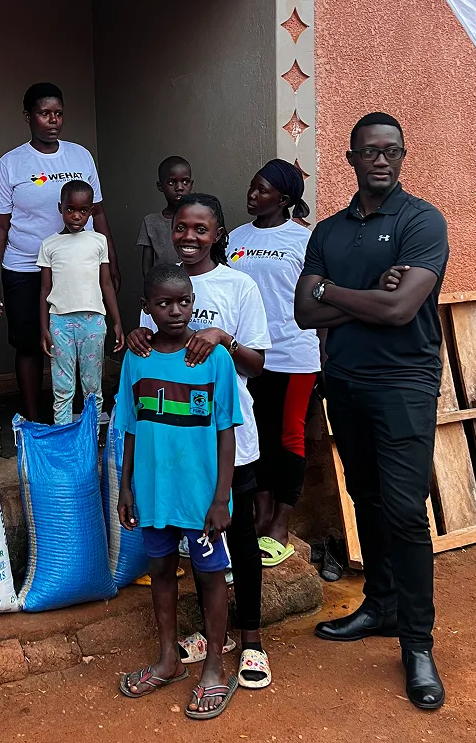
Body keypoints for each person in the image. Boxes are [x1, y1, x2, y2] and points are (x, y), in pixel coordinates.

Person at [294, 112, 449, 711]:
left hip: (405, 383)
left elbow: (399, 310)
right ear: (351, 157)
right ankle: (381, 604)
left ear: (403, 156)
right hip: (346, 381)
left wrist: (332, 292)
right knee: (366, 496)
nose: (381, 159)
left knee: (405, 510)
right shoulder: (328, 232)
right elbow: (305, 312)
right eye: (370, 151)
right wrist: (362, 295)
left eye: (391, 150)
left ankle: (417, 644)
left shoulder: (421, 221)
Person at [127, 194, 273, 691]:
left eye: (201, 229)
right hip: (174, 450)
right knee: (184, 552)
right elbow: (150, 357)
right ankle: (204, 642)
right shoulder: (162, 285)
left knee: (239, 541)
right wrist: (136, 336)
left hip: (228, 441)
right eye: (181, 227)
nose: (189, 237)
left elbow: (258, 364)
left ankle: (249, 639)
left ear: (218, 234)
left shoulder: (239, 285)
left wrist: (222, 337)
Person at [116, 263, 242, 719]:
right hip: (154, 493)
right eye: (164, 303)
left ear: (193, 303)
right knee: (161, 571)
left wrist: (221, 498)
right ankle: (168, 658)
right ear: (146, 307)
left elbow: (226, 430)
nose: (175, 311)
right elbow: (131, 428)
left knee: (211, 576)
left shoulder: (214, 358)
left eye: (183, 302)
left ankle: (215, 667)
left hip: (200, 497)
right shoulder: (137, 358)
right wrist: (126, 487)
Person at [0, 83, 120, 420]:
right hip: (25, 267)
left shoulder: (80, 156)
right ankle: (34, 419)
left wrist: (111, 260)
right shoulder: (11, 163)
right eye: (44, 113)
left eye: (58, 113)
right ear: (28, 116)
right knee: (30, 343)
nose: (53, 120)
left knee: (81, 343)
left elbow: (98, 212)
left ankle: (80, 418)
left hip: (79, 268)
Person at [227, 160, 320, 567]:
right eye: (252, 187)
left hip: (293, 352)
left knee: (289, 435)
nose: (252, 195)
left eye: (261, 190)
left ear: (283, 200)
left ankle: (281, 523)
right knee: (256, 432)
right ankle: (260, 515)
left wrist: (326, 355)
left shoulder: (304, 240)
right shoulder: (235, 237)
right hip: (248, 354)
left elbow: (318, 298)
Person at [38, 181, 124, 426]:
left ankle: (90, 437)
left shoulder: (98, 241)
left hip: (93, 321)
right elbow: (44, 289)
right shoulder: (49, 245)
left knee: (92, 386)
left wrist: (117, 322)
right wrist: (43, 327)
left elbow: (106, 284)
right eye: (70, 209)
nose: (76, 216)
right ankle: (64, 437)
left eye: (83, 210)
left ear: (91, 211)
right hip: (59, 323)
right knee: (62, 387)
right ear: (60, 208)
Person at [136, 156, 194, 278]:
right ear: (160, 186)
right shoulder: (151, 222)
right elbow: (147, 265)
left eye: (185, 182)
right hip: (163, 285)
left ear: (191, 184)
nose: (179, 187)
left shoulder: (199, 219)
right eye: (171, 182)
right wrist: (150, 285)